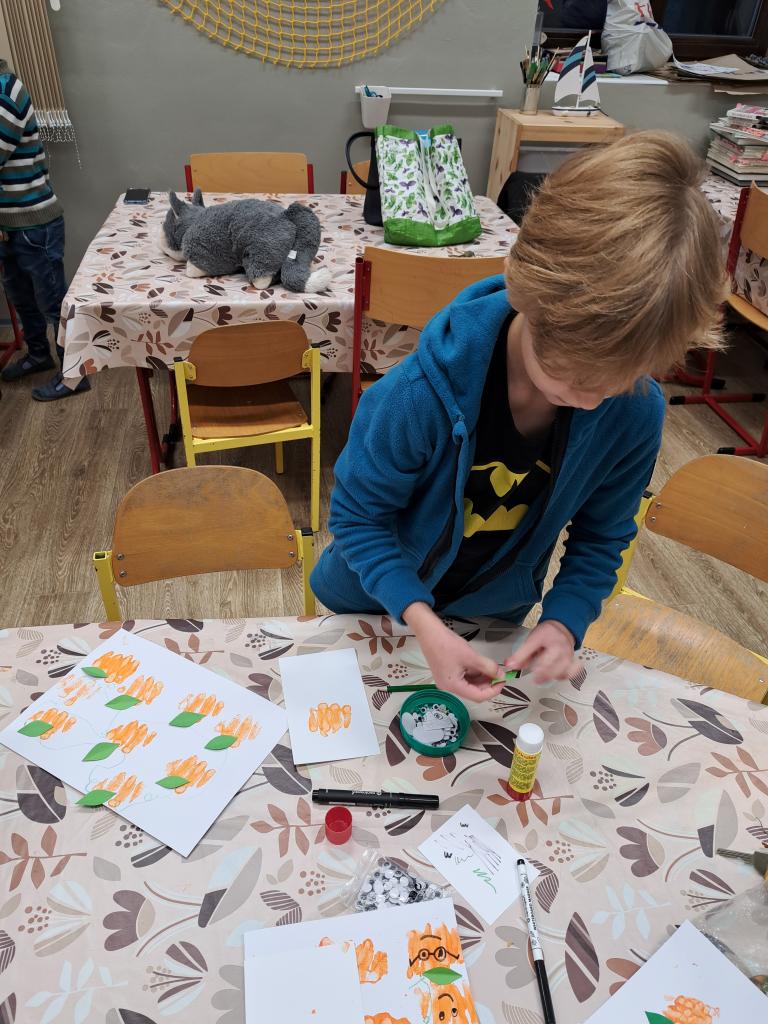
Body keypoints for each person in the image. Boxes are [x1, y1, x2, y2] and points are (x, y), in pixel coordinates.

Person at [312, 132, 724, 701]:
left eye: (619, 381)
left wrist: (564, 621)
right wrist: (422, 621)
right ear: (524, 291)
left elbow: (601, 536)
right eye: (574, 379)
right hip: (369, 605)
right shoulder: (415, 396)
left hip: (494, 617)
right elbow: (359, 520)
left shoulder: (634, 410)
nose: (593, 402)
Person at [0, 58, 88, 401]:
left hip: (34, 224)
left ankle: (73, 375)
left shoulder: (7, 91)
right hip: (8, 225)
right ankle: (38, 355)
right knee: (22, 298)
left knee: (53, 303)